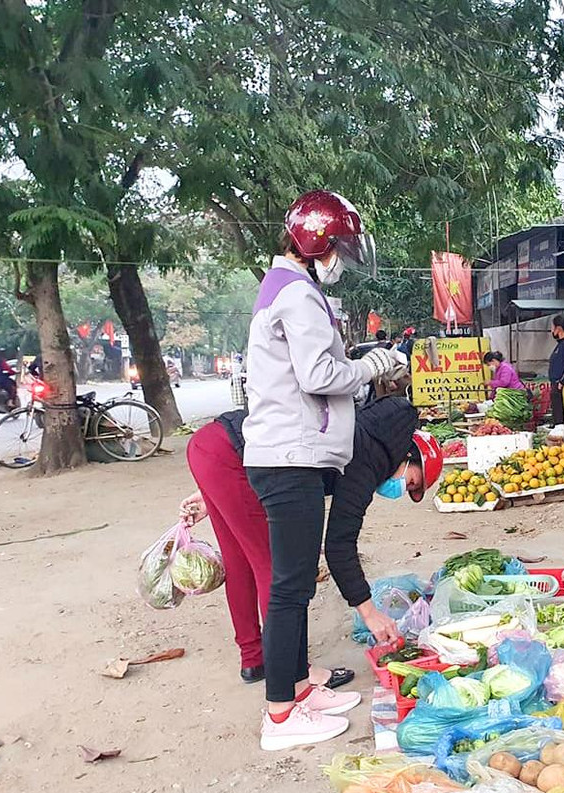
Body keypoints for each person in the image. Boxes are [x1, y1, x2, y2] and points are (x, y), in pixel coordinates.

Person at [241, 188, 408, 752]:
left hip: (291, 455)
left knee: (294, 586)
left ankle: (299, 690)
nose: (340, 257)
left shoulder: (288, 287)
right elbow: (317, 375)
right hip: (289, 457)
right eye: (337, 246)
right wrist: (372, 365)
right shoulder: (298, 295)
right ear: (315, 241)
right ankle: (281, 716)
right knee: (289, 588)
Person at [179, 396, 442, 691]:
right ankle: (296, 671)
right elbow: (339, 545)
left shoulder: (356, 426)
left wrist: (216, 486)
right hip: (234, 457)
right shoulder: (367, 458)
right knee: (277, 568)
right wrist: (369, 612)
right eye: (412, 483)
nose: (402, 490)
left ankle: (253, 658)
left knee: (239, 562)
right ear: (406, 455)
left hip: (216, 447)